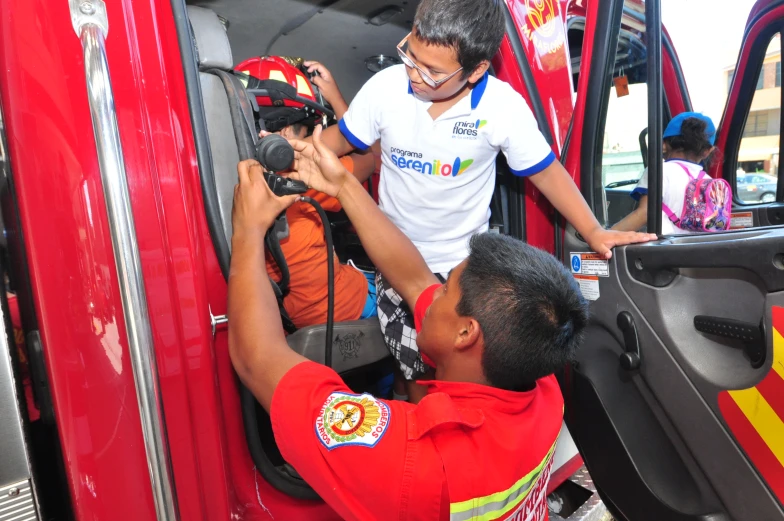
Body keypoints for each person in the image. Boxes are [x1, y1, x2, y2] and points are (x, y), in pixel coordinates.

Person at [228, 125, 590, 521]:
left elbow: (256, 358)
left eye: (446, 289)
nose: (431, 291)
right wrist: (344, 186)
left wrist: (247, 231)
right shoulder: (542, 388)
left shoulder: (412, 460)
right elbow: (414, 277)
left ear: (466, 333)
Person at [311, 0, 656, 397]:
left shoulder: (501, 107)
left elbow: (545, 171)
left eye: (434, 71)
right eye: (411, 55)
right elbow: (337, 141)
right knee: (411, 367)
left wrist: (594, 231)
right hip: (394, 261)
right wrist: (295, 152)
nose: (415, 75)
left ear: (476, 70)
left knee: (456, 377)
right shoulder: (385, 88)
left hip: (460, 273)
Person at [237, 56, 377, 328]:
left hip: (291, 318)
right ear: (288, 133)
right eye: (307, 131)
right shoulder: (303, 176)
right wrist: (335, 97)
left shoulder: (243, 178)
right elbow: (367, 158)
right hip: (343, 305)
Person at [612, 112, 722, 235]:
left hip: (664, 250)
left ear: (664, 145)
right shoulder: (710, 181)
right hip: (697, 248)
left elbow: (645, 213)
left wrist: (606, 234)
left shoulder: (658, 171)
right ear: (708, 151)